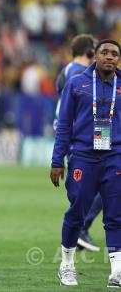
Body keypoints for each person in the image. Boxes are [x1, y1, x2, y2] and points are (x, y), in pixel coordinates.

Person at [51, 39, 120, 287]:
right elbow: (64, 126)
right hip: (83, 156)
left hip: (115, 157)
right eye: (105, 52)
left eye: (114, 54)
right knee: (77, 211)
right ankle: (67, 265)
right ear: (95, 56)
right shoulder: (77, 83)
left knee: (115, 214)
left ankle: (117, 271)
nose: (109, 57)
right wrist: (57, 160)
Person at [55, 34, 102, 252]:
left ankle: (79, 228)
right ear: (91, 51)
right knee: (104, 183)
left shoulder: (68, 71)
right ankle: (81, 228)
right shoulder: (78, 74)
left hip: (82, 137)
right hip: (83, 138)